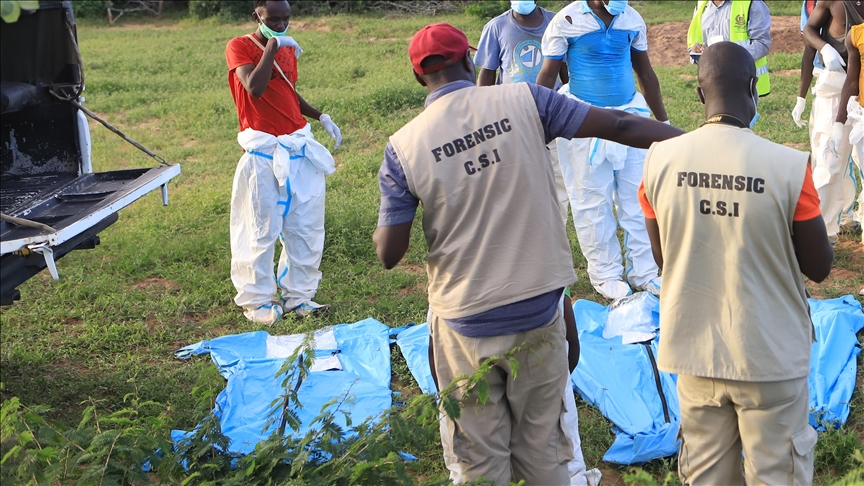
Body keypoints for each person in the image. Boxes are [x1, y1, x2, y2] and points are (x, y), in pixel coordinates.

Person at [373, 22, 682, 485]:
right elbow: (617, 123)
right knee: (547, 452)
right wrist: (693, 142)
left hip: (465, 320)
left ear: (420, 78)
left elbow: (389, 254)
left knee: (478, 457)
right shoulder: (526, 101)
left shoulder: (403, 149)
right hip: (538, 308)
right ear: (468, 60)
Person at [640, 42, 834, 485]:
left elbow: (662, 257)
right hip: (770, 357)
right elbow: (820, 266)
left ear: (698, 94)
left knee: (705, 473)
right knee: (776, 474)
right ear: (754, 87)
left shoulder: (657, 162)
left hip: (694, 352)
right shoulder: (788, 166)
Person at [536, 0, 668, 301]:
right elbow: (546, 78)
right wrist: (538, 125)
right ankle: (605, 273)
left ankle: (645, 271)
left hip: (632, 117)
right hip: (583, 123)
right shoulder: (567, 21)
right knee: (591, 201)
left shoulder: (631, 19)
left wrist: (663, 122)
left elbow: (645, 74)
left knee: (638, 196)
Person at [225, 0, 342, 325]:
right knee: (260, 230)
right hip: (263, 155)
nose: (279, 24)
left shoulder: (287, 50)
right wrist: (273, 47)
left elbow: (287, 92)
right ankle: (258, 301)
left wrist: (320, 116)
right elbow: (256, 88)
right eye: (272, 18)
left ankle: (298, 297)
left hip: (298, 148)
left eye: (285, 19)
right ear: (257, 16)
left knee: (305, 227)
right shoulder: (240, 46)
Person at [474, 0, 571, 223]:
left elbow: (565, 71)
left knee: (557, 178)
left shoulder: (556, 22)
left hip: (552, 115)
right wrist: (482, 113)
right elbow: (487, 74)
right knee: (515, 177)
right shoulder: (496, 27)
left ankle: (555, 230)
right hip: (511, 116)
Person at [802, 0, 864, 243]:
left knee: (859, 160)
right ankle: (822, 233)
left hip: (860, 84)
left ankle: (850, 216)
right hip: (837, 81)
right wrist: (825, 47)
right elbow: (809, 30)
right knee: (830, 157)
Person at [687, 0, 772, 96]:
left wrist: (729, 60)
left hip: (744, 83)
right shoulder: (702, 5)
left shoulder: (751, 3)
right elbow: (695, 42)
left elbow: (762, 43)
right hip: (714, 83)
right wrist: (696, 52)